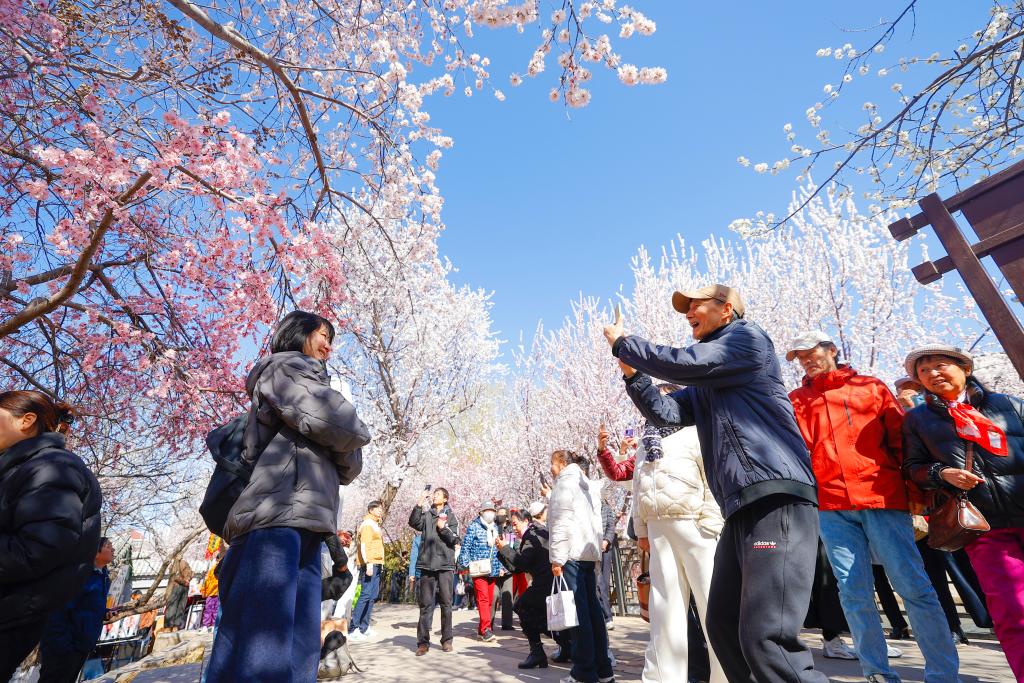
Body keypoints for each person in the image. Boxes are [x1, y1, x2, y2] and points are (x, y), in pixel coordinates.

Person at [604, 284, 827, 683]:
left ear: (726, 310)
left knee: (768, 637)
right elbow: (667, 412)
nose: (688, 313)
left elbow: (686, 363)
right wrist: (633, 374)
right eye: (684, 308)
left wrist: (626, 343)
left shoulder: (747, 339)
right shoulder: (710, 381)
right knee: (723, 628)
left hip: (774, 496)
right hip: (739, 507)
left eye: (695, 305)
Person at [206, 310, 370, 683]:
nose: (328, 344)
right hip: (275, 516)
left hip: (308, 519)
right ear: (298, 334)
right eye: (321, 334)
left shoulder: (316, 383)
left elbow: (351, 464)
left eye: (331, 338)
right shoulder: (282, 368)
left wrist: (340, 431)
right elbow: (342, 425)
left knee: (300, 643)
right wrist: (343, 428)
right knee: (264, 638)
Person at [787, 330, 959, 683]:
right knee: (852, 592)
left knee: (913, 585)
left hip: (882, 496)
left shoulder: (871, 387)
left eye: (811, 352)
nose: (806, 359)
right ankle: (877, 672)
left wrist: (913, 492)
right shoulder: (796, 399)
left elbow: (901, 440)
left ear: (832, 350)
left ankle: (943, 674)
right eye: (799, 356)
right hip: (830, 506)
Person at [901, 344, 1024, 680]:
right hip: (983, 527)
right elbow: (912, 467)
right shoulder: (917, 420)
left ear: (964, 368)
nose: (932, 374)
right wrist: (942, 473)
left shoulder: (1008, 404)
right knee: (1012, 611)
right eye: (923, 372)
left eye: (940, 366)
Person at [0, 391, 101, 681]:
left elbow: (38, 549)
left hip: (12, 611)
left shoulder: (52, 467)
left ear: (26, 420)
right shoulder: (23, 468)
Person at [631, 422, 725, 683]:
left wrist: (710, 522)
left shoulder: (696, 432)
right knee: (664, 608)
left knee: (712, 604)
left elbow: (712, 475)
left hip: (695, 524)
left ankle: (726, 676)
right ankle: (662, 678)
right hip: (658, 527)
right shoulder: (644, 442)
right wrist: (641, 529)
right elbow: (638, 486)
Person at [548, 450, 614, 683]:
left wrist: (557, 558)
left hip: (571, 556)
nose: (551, 470)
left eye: (553, 465)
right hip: (587, 554)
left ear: (563, 463)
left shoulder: (565, 484)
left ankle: (584, 672)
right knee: (594, 615)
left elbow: (560, 523)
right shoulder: (587, 484)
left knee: (579, 617)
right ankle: (604, 671)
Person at [497, 503, 570, 669]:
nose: (513, 528)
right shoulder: (537, 531)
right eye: (512, 525)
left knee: (522, 607)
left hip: (545, 582)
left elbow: (521, 564)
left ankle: (538, 652)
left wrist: (506, 548)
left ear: (526, 521)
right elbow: (518, 568)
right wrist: (502, 552)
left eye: (515, 524)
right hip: (550, 582)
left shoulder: (531, 536)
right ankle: (566, 645)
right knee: (544, 617)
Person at [36, 536, 114, 682]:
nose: (113, 549)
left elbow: (87, 606)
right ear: (95, 552)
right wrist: (64, 645)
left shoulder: (103, 576)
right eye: (108, 546)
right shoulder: (80, 575)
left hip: (81, 646)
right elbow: (58, 609)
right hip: (64, 647)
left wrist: (105, 612)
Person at [408, 487, 460, 655]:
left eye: (438, 494)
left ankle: (447, 640)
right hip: (427, 565)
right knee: (425, 605)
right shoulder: (427, 515)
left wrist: (443, 528)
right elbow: (413, 522)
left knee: (446, 604)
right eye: (434, 494)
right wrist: (420, 502)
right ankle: (422, 643)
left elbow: (455, 539)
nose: (434, 496)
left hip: (445, 565)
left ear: (445, 499)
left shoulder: (451, 516)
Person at [457, 502, 503, 642]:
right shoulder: (474, 527)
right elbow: (465, 547)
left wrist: (501, 566)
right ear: (481, 512)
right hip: (478, 568)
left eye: (492, 510)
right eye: (487, 510)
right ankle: (486, 629)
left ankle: (480, 630)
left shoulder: (495, 528)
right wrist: (465, 565)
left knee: (489, 600)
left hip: (493, 568)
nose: (490, 512)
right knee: (482, 599)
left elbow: (498, 549)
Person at [349, 500, 386, 641]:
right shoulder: (367, 524)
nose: (380, 511)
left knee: (372, 596)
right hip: (370, 563)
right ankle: (353, 628)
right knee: (365, 595)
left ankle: (364, 627)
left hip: (377, 562)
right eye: (378, 509)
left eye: (381, 509)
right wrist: (368, 563)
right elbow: (365, 545)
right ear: (371, 510)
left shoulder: (375, 524)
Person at [493, 506, 516, 631]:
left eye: (502, 515)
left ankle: (507, 623)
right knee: (494, 595)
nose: (499, 517)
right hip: (495, 568)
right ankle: (488, 623)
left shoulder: (512, 531)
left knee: (508, 597)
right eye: (498, 514)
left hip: (508, 568)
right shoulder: (493, 529)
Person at [162, 556, 192, 632]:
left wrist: (187, 579)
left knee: (180, 607)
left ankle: (175, 626)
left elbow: (191, 573)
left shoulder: (185, 563)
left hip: (183, 586)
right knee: (173, 607)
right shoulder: (174, 564)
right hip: (176, 585)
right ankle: (169, 626)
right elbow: (174, 575)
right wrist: (185, 581)